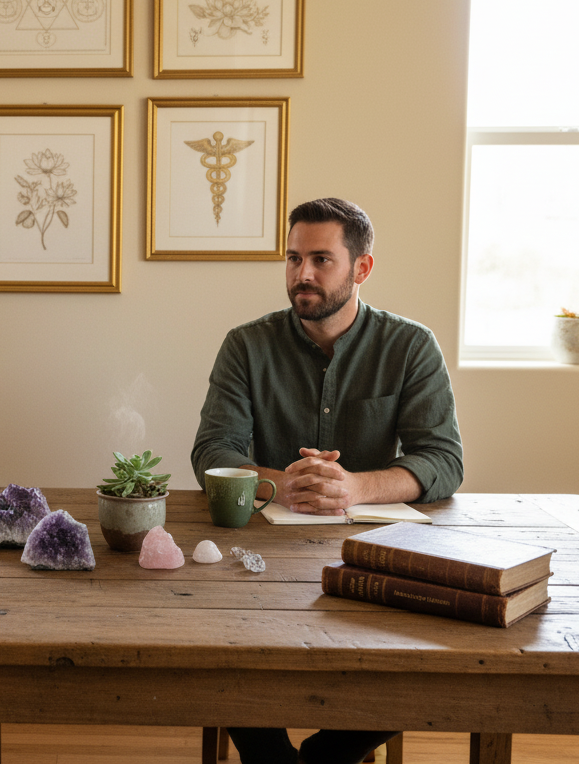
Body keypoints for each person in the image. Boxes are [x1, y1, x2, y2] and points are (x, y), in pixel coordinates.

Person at [191, 197, 464, 764]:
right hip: (260, 558)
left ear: (361, 268)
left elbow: (444, 460)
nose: (302, 275)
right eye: (293, 259)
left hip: (373, 553)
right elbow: (212, 451)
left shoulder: (411, 346)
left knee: (421, 655)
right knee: (218, 648)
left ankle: (326, 756)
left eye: (321, 259)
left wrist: (355, 487)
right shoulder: (247, 345)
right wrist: (278, 484)